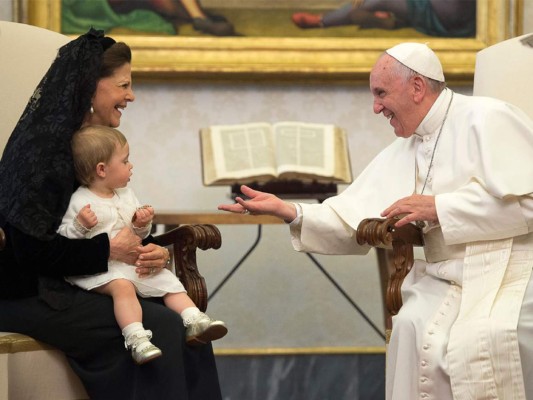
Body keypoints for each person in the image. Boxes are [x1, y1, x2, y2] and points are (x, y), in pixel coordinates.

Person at [218, 42, 533, 399]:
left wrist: (441, 208)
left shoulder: (489, 117)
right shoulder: (407, 146)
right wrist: (289, 210)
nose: (375, 107)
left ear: (416, 87)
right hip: (443, 278)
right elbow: (352, 214)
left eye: (381, 93)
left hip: (509, 269)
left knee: (489, 336)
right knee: (412, 325)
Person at [0, 28, 223, 399]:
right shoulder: (42, 153)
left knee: (192, 328)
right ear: (91, 86)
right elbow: (29, 251)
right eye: (123, 85)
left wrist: (148, 249)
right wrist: (109, 251)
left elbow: (112, 219)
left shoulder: (97, 145)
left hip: (84, 279)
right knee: (163, 328)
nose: (130, 96)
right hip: (25, 294)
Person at [58, 125, 228, 365]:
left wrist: (141, 223)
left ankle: (194, 320)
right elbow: (66, 237)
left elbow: (137, 234)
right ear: (102, 169)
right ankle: (136, 339)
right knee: (123, 287)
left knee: (166, 278)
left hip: (128, 262)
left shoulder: (126, 194)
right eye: (125, 161)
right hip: (99, 270)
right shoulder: (80, 200)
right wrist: (80, 226)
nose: (131, 166)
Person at [292, 0, 476, 38]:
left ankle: (321, 21)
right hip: (444, 12)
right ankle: (392, 19)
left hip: (444, 14)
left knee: (378, 1)